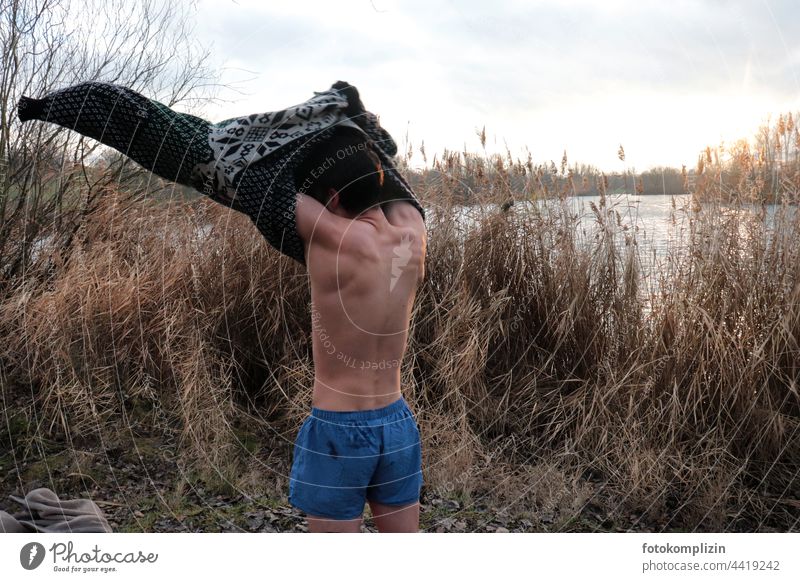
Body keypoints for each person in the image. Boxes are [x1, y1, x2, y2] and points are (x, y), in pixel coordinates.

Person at [291, 127, 427, 533]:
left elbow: (265, 188)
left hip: (337, 430)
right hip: (397, 422)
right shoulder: (414, 231)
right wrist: (360, 125)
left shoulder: (333, 238)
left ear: (332, 197)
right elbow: (395, 183)